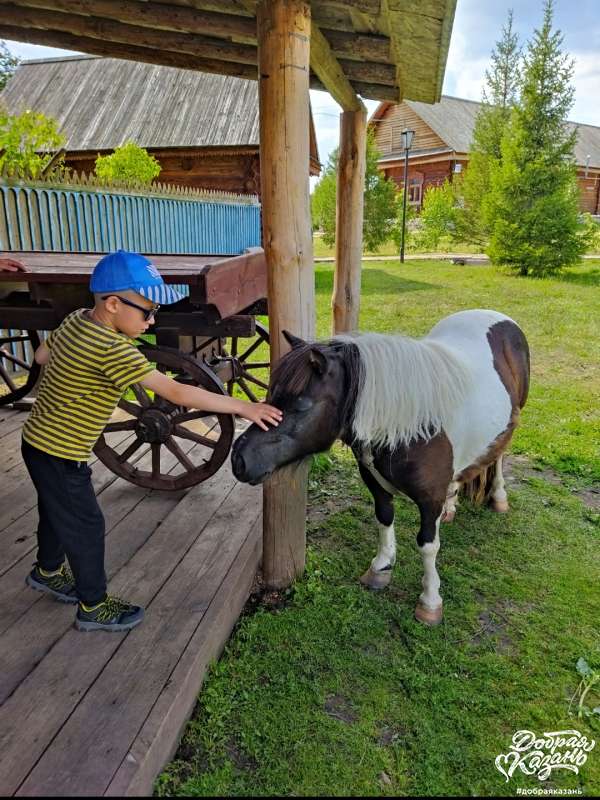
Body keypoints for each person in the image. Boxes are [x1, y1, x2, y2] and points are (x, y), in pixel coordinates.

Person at [20, 250, 282, 633]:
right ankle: (93, 606)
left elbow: (42, 356)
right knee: (86, 524)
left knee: (56, 509)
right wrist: (243, 407)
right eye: (146, 312)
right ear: (112, 304)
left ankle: (46, 571)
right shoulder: (114, 351)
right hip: (61, 453)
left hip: (37, 441)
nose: (152, 320)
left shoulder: (76, 321)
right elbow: (177, 393)